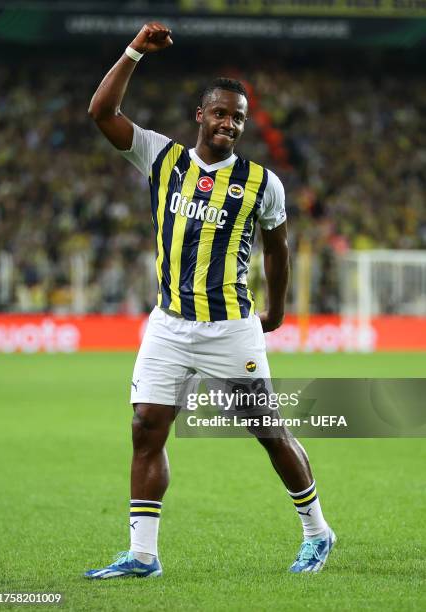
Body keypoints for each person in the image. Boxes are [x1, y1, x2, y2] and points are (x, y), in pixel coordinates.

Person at [85, 22, 335, 579]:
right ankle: (143, 556)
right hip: (169, 325)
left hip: (229, 329)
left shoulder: (262, 182)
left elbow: (279, 248)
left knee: (267, 430)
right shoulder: (161, 157)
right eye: (220, 113)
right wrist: (132, 53)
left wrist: (276, 310)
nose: (229, 124)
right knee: (145, 428)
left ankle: (318, 532)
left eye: (238, 118)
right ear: (201, 115)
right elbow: (101, 113)